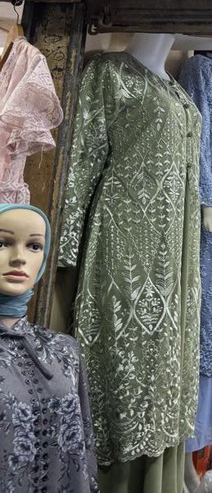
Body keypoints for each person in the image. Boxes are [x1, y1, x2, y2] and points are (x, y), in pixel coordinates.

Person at [0, 204, 98, 491]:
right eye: (2, 243)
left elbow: (84, 450)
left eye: (33, 245)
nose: (19, 258)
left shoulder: (63, 351)